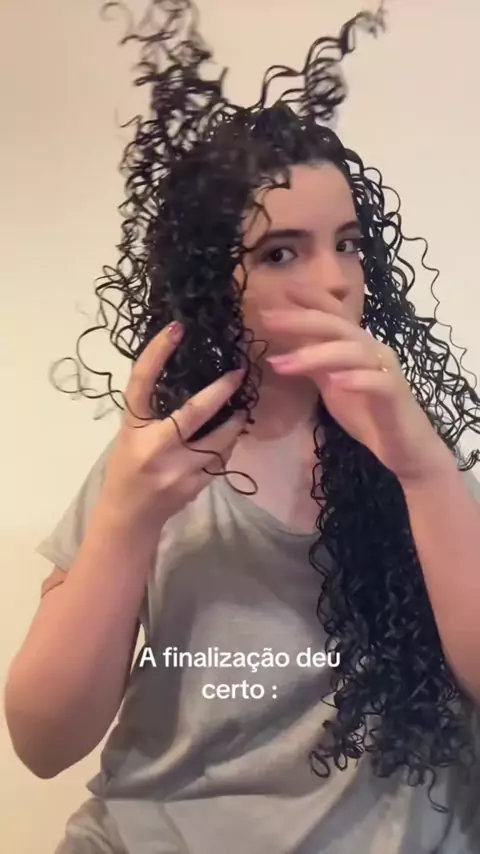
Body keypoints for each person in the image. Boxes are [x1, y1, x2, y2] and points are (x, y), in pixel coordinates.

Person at [5, 2, 480, 852]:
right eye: (281, 252)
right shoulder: (155, 463)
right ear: (210, 281)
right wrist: (125, 521)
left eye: (350, 243)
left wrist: (424, 472)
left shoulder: (418, 455)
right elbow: (42, 743)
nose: (336, 281)